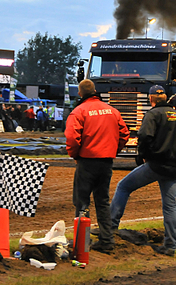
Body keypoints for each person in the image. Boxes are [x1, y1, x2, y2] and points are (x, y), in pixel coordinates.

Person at [110, 85, 176, 257]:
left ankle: (110, 226)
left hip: (156, 165)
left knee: (123, 187)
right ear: (166, 98)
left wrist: (144, 156)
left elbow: (144, 137)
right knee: (170, 205)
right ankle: (170, 245)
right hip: (174, 168)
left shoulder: (152, 114)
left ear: (151, 99)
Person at [65, 79, 129, 254]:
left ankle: (81, 243)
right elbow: (124, 133)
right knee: (102, 201)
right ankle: (107, 240)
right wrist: (113, 149)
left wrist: (75, 155)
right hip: (106, 161)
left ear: (80, 93)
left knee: (82, 202)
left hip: (87, 161)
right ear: (95, 91)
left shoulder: (78, 112)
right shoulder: (112, 111)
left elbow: (72, 138)